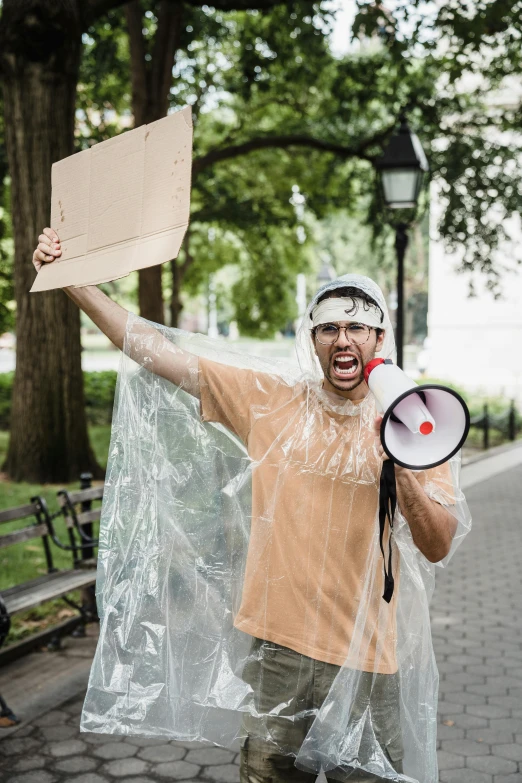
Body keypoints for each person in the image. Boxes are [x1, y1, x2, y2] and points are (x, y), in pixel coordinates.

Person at [33, 229, 469, 783]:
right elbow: (156, 351)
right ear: (312, 340)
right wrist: (74, 281)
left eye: (357, 327)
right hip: (278, 652)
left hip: (368, 661)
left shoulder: (417, 422)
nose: (343, 339)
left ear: (378, 340)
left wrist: (402, 461)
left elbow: (437, 544)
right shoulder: (270, 400)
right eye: (329, 327)